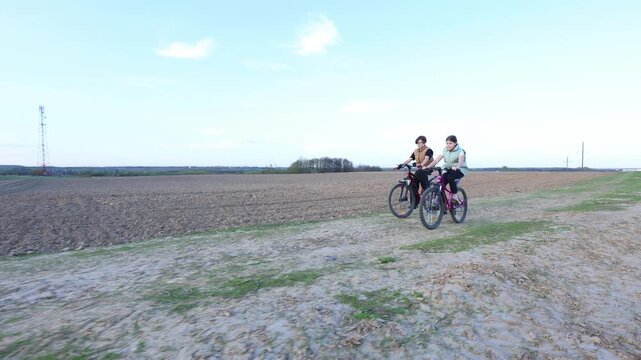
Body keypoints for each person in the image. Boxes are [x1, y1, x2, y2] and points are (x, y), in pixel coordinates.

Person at [426, 135, 468, 203]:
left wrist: (457, 167)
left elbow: (460, 161)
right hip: (448, 169)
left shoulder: (460, 151)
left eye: (450, 143)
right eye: (447, 143)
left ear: (455, 143)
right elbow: (436, 161)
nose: (448, 145)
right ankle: (441, 202)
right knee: (441, 182)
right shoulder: (444, 150)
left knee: (450, 177)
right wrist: (428, 167)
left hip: (459, 170)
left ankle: (455, 195)